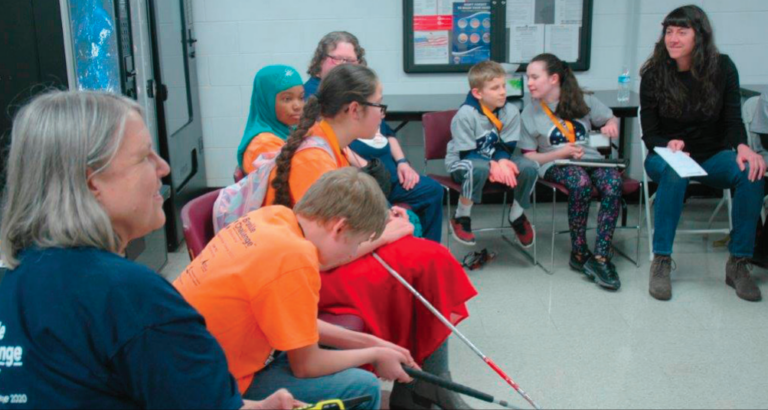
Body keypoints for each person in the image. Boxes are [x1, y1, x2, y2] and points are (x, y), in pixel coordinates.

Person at [0, 90, 298, 409]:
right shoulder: (132, 299)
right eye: (144, 156)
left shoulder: (14, 281)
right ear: (91, 183)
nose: (164, 167)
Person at [266, 64, 478, 409]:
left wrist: (383, 219)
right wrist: (385, 232)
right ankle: (430, 382)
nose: (383, 114)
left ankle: (427, 381)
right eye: (380, 105)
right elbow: (321, 251)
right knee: (427, 259)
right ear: (354, 109)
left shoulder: (333, 145)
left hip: (327, 259)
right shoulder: (314, 158)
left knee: (422, 254)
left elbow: (342, 221)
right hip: (313, 274)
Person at [176, 168, 419, 408]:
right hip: (214, 385)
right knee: (364, 387)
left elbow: (297, 322)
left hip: (186, 363)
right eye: (356, 243)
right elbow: (306, 366)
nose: (354, 253)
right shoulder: (296, 258)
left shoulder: (273, 217)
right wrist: (374, 356)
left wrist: (372, 343)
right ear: (339, 228)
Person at [640, 5, 766, 301]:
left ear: (700, 36)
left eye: (681, 32)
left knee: (752, 170)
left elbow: (733, 120)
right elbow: (650, 132)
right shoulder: (654, 74)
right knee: (675, 169)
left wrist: (744, 147)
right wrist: (668, 145)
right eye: (669, 32)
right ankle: (661, 260)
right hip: (665, 156)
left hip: (711, 155)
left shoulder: (723, 67)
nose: (673, 38)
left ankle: (738, 262)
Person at [305, 31, 444, 243]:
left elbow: (387, 131)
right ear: (353, 110)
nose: (344, 65)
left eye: (350, 60)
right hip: (365, 178)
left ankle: (429, 252)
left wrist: (402, 162)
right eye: (338, 59)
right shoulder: (318, 104)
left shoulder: (360, 95)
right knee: (399, 224)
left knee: (429, 193)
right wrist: (368, 172)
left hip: (382, 174)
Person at [519, 53, 623, 290]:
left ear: (554, 78)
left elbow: (611, 118)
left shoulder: (583, 99)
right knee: (581, 184)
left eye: (535, 77)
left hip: (591, 159)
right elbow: (529, 156)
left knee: (613, 184)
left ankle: (601, 257)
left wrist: (611, 125)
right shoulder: (529, 113)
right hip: (555, 164)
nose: (529, 83)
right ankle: (578, 253)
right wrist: (560, 154)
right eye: (528, 77)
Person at [447, 60, 539, 247]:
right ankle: (461, 216)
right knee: (478, 167)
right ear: (477, 93)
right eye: (495, 88)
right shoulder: (465, 114)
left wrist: (502, 162)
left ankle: (517, 215)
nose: (503, 91)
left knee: (531, 166)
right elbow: (467, 154)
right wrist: (493, 165)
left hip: (497, 158)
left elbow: (506, 147)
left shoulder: (511, 111)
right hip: (465, 162)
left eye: (504, 86)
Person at [237, 65, 304, 174]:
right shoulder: (264, 144)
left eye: (301, 98)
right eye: (287, 99)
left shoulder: (285, 131)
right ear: (267, 102)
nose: (298, 106)